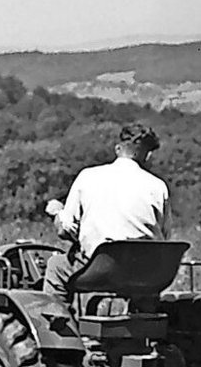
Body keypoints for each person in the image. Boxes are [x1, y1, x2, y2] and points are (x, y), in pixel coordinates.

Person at [42, 123, 171, 305]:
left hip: (100, 271)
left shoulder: (88, 177)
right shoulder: (158, 186)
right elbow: (164, 239)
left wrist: (57, 213)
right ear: (148, 155)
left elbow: (65, 230)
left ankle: (58, 325)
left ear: (118, 149)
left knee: (56, 266)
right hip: (144, 274)